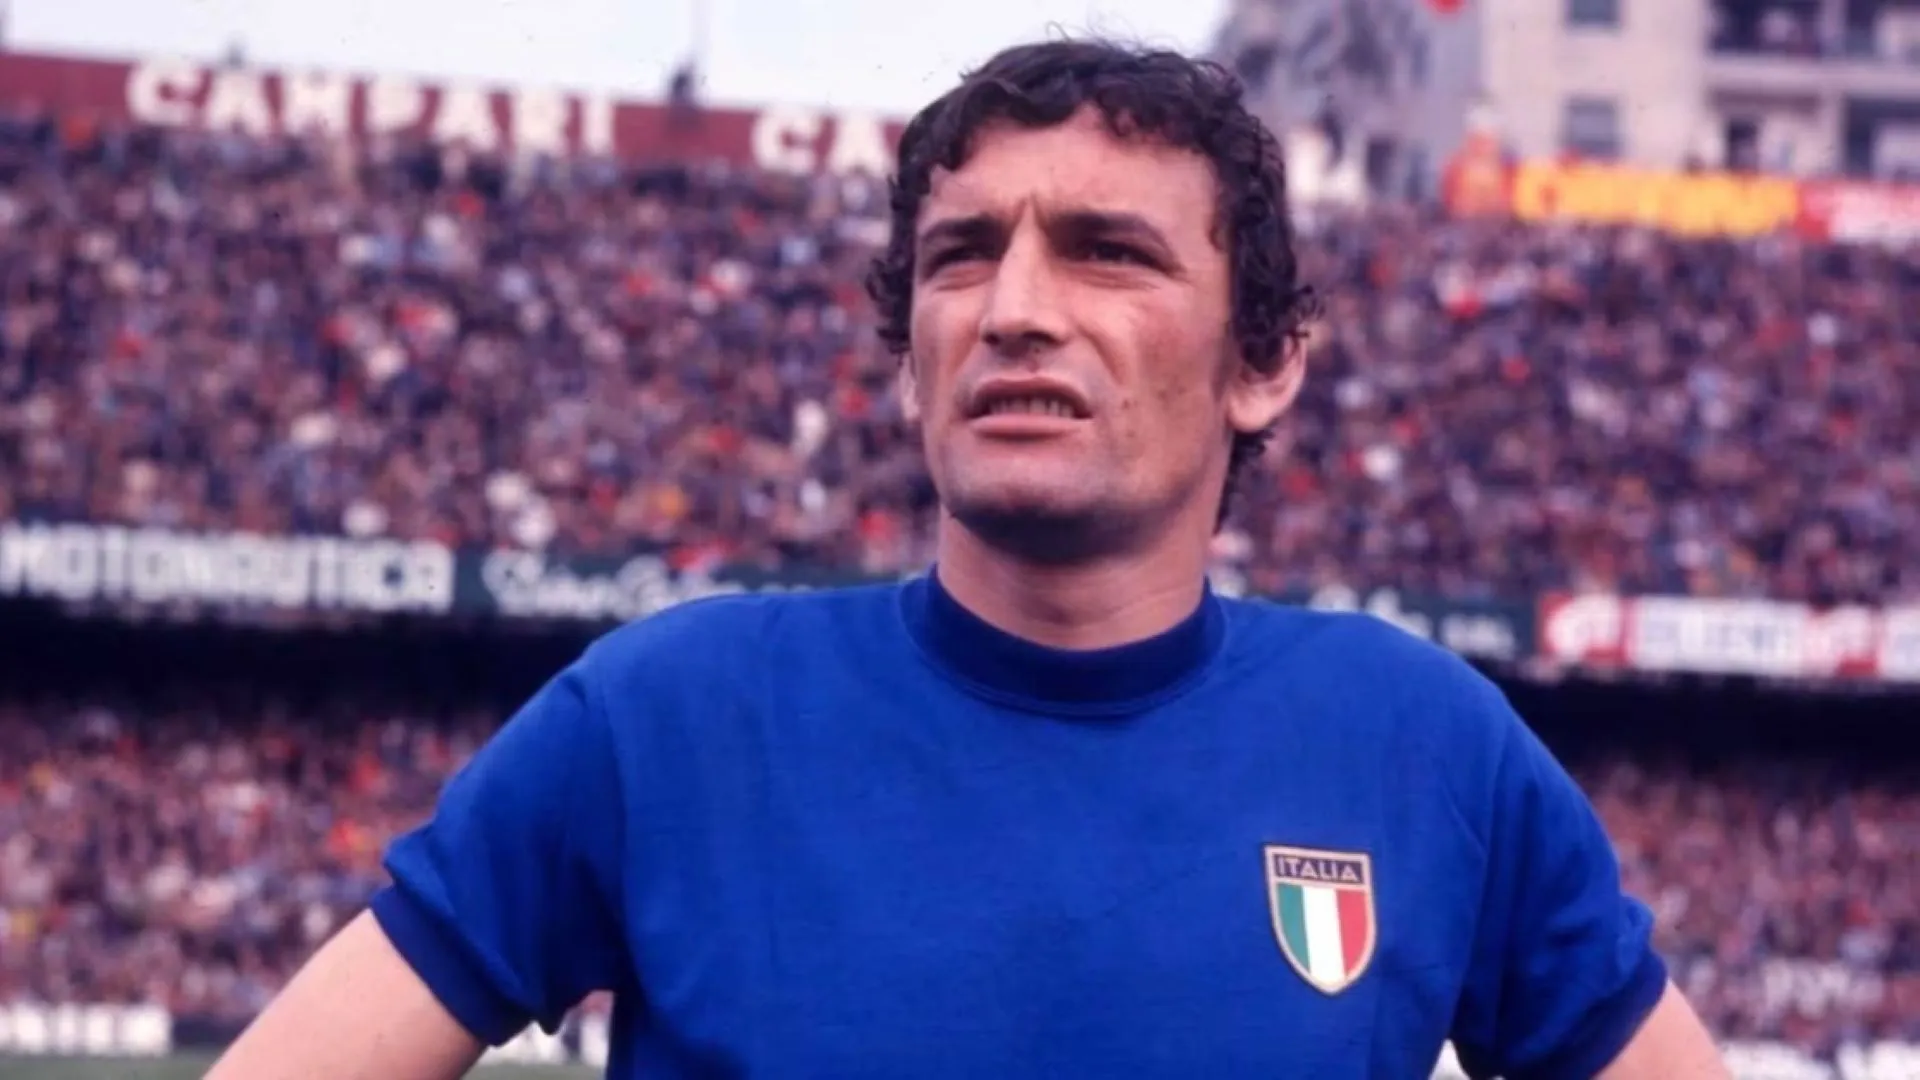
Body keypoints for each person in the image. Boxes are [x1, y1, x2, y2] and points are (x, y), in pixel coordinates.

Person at [207, 38, 1731, 1080]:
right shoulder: (665, 716)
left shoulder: (1423, 744)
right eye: (961, 257)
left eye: (1108, 252)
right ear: (907, 357)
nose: (1014, 309)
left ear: (1266, 361)